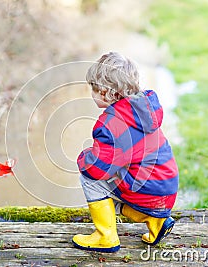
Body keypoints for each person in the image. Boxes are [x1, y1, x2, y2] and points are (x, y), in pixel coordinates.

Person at [72, 52, 179, 253]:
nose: (92, 94)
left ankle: (106, 237)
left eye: (93, 89)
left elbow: (97, 170)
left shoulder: (110, 124)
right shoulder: (144, 110)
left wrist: (84, 157)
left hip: (148, 191)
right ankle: (156, 221)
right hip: (167, 188)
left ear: (104, 92)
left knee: (91, 180)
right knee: (116, 181)